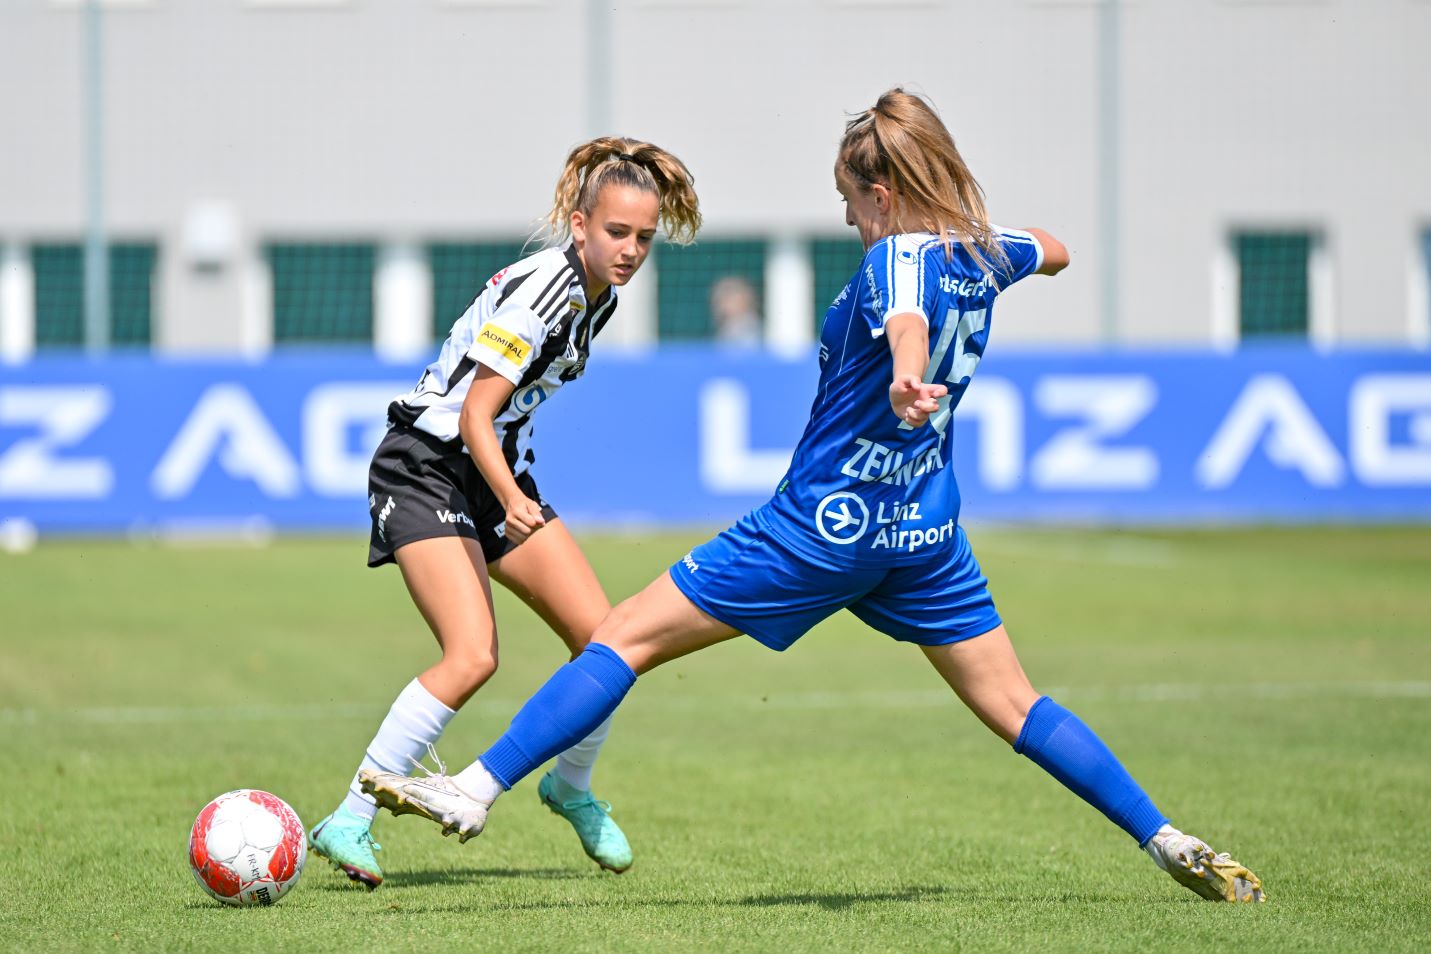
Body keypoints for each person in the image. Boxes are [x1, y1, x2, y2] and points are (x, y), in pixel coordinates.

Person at [360, 90, 1265, 903]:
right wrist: (992, 252)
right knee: (1018, 705)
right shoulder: (986, 252)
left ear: (879, 193)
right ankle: (1164, 836)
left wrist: (909, 374)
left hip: (823, 524)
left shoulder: (896, 259)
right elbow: (1055, 251)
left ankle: (472, 788)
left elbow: (904, 313)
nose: (846, 217)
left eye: (846, 198)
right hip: (923, 528)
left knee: (620, 637)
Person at [307, 137, 701, 889]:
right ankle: (349, 818)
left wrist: (510, 492)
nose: (631, 250)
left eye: (644, 238)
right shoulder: (545, 290)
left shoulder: (599, 297)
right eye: (617, 233)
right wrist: (516, 500)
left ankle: (570, 786)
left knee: (611, 642)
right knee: (472, 655)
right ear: (579, 224)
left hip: (490, 475)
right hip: (426, 465)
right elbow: (475, 416)